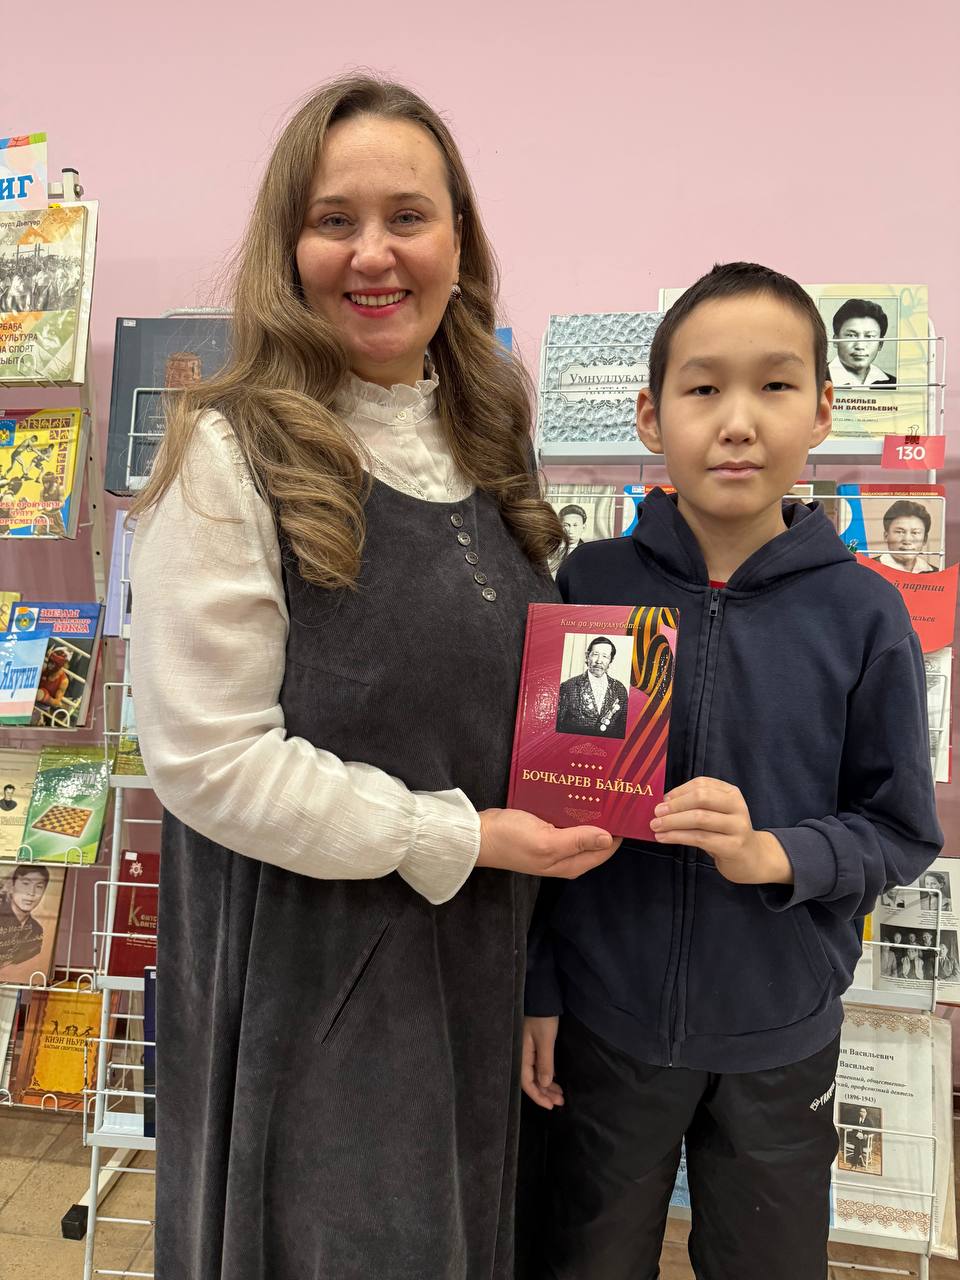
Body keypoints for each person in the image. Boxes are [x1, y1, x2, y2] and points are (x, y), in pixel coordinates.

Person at [129, 76, 618, 1280]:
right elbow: (208, 758)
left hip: (470, 955)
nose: (373, 253)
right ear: (286, 248)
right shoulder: (229, 450)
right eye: (333, 219)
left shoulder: (487, 440)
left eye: (408, 216)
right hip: (309, 980)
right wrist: (458, 835)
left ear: (459, 239)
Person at [520, 263, 942, 1280]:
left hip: (779, 1033)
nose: (739, 422)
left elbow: (899, 829)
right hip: (604, 1022)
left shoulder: (863, 612)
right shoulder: (591, 584)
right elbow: (543, 812)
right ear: (651, 414)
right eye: (704, 387)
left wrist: (775, 854)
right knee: (581, 1254)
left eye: (775, 385)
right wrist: (539, 984)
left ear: (824, 409)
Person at [555, 636, 629, 738]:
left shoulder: (620, 689)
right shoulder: (568, 687)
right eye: (595, 654)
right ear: (587, 656)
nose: (599, 661)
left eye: (605, 656)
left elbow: (623, 729)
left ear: (611, 660)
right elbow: (557, 728)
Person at [827, 298, 897, 387]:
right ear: (835, 340)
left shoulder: (893, 383)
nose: (860, 346)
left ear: (880, 344)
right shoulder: (815, 377)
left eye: (869, 336)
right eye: (851, 335)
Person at [0, 865, 49, 971]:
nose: (31, 893)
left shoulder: (36, 930)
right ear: (12, 886)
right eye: (26, 884)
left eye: (39, 887)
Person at [873, 499, 938, 574]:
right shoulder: (868, 569)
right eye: (900, 532)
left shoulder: (936, 573)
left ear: (925, 539)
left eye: (915, 533)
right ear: (886, 536)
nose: (907, 540)